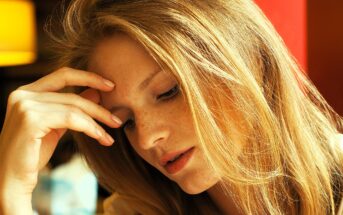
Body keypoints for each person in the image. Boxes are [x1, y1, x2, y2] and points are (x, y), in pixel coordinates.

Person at [0, 0, 342, 214]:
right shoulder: (132, 211)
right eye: (127, 121)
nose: (147, 138)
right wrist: (14, 195)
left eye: (168, 92)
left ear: (249, 59)